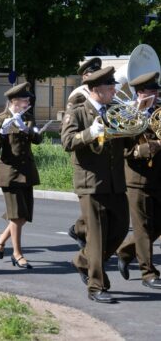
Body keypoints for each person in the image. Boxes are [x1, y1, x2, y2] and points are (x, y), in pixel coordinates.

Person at [61, 66, 129, 304]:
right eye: (109, 87)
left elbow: (127, 143)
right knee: (98, 236)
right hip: (91, 183)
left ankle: (82, 261)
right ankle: (96, 286)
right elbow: (68, 141)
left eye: (113, 86)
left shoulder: (116, 110)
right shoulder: (78, 112)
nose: (114, 91)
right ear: (95, 90)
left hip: (115, 183)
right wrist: (90, 132)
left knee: (120, 229)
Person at [116, 72, 161, 289]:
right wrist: (143, 149)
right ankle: (148, 273)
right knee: (142, 228)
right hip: (137, 179)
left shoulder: (160, 112)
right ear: (140, 93)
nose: (156, 94)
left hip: (158, 177)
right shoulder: (127, 114)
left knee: (157, 225)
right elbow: (121, 150)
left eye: (157, 90)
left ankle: (125, 252)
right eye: (152, 91)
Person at [0, 82, 43, 270]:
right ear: (14, 101)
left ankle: (2, 238)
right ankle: (17, 253)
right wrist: (2, 132)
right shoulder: (1, 117)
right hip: (10, 173)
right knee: (16, 216)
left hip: (27, 172)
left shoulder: (28, 118)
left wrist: (26, 128)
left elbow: (38, 139)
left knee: (24, 216)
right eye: (24, 99)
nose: (28, 101)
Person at [66, 57, 102, 249]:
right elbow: (71, 131)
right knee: (92, 206)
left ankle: (79, 228)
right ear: (85, 76)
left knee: (98, 207)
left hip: (104, 154)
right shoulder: (78, 97)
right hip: (86, 155)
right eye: (93, 73)